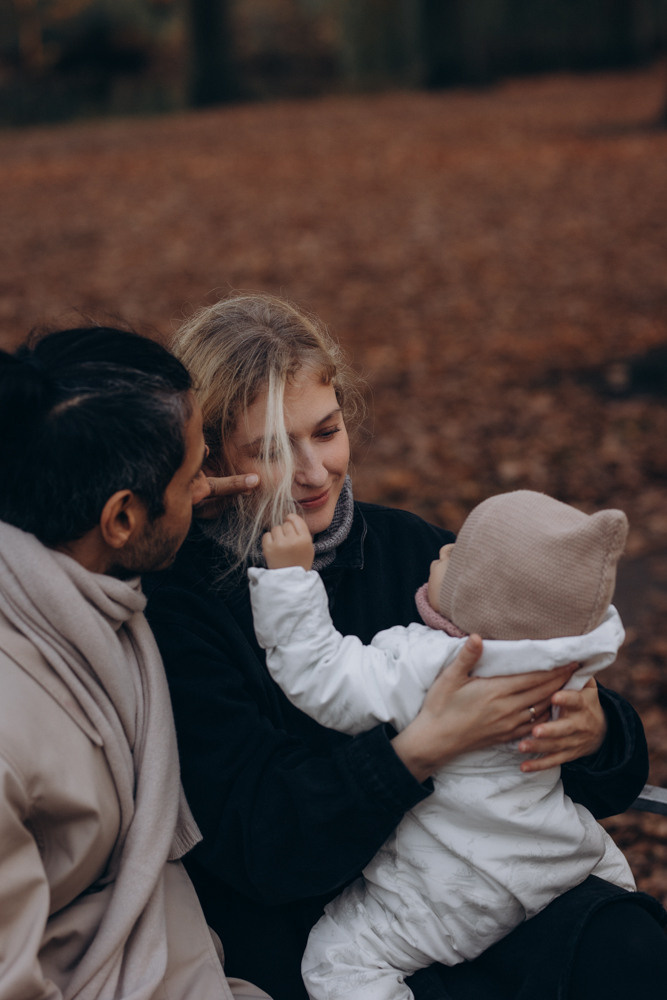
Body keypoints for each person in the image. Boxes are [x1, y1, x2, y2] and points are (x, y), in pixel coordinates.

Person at [143, 293, 666, 1000]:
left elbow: (575, 772)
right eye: (270, 450)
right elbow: (258, 845)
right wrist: (419, 750)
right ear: (211, 458)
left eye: (324, 432)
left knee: (629, 947)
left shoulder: (413, 552)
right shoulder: (186, 606)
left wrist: (598, 731)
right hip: (315, 924)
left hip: (476, 877)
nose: (313, 472)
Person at [249, 492, 638, 999]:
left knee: (336, 961)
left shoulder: (429, 666)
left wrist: (290, 581)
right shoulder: (564, 664)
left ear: (483, 599)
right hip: (558, 857)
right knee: (619, 899)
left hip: (452, 890)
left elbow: (320, 674)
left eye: (457, 557)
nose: (442, 550)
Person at [0, 326, 269, 1000]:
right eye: (188, 477)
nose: (203, 486)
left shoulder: (58, 566)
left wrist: (175, 503)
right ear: (121, 521)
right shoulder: (12, 728)